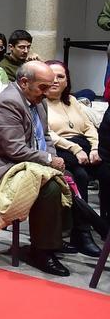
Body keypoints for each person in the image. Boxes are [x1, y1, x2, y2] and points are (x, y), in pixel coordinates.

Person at [0, 62, 92, 276]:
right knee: (49, 187)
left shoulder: (37, 99)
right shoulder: (8, 103)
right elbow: (15, 150)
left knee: (71, 176)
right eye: (43, 87)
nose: (47, 92)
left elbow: (46, 138)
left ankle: (60, 237)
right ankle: (41, 251)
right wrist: (49, 159)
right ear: (24, 82)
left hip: (20, 159)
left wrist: (51, 157)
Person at [44, 60, 108, 256]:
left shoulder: (71, 100)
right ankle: (82, 233)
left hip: (85, 146)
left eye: (60, 77)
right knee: (79, 175)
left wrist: (96, 148)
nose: (55, 80)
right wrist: (75, 148)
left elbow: (89, 127)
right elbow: (47, 134)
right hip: (58, 149)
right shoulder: (39, 102)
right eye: (51, 76)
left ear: (66, 81)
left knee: (106, 170)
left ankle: (105, 222)